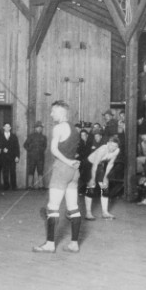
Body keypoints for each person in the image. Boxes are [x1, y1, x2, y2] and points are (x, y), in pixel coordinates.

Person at [34, 101, 85, 253]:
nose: (51, 114)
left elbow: (54, 151)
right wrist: (72, 161)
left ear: (61, 112)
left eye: (53, 112)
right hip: (74, 172)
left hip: (62, 169)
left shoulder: (58, 128)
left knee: (53, 207)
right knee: (73, 207)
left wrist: (68, 161)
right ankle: (74, 243)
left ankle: (50, 244)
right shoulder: (75, 129)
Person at [85, 136, 120, 220]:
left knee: (105, 186)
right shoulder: (102, 150)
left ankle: (105, 212)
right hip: (89, 164)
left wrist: (105, 177)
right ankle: (88, 213)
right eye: (111, 145)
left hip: (100, 164)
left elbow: (110, 164)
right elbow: (94, 165)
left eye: (115, 146)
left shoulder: (116, 151)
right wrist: (93, 179)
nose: (113, 148)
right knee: (91, 186)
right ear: (108, 144)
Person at [24, 122, 48, 190]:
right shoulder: (31, 136)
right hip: (32, 157)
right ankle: (30, 186)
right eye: (38, 127)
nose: (39, 129)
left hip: (40, 157)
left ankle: (41, 186)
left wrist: (41, 150)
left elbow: (45, 146)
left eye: (41, 127)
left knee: (40, 171)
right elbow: (25, 145)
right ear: (35, 128)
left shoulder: (44, 137)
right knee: (31, 171)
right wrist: (30, 150)